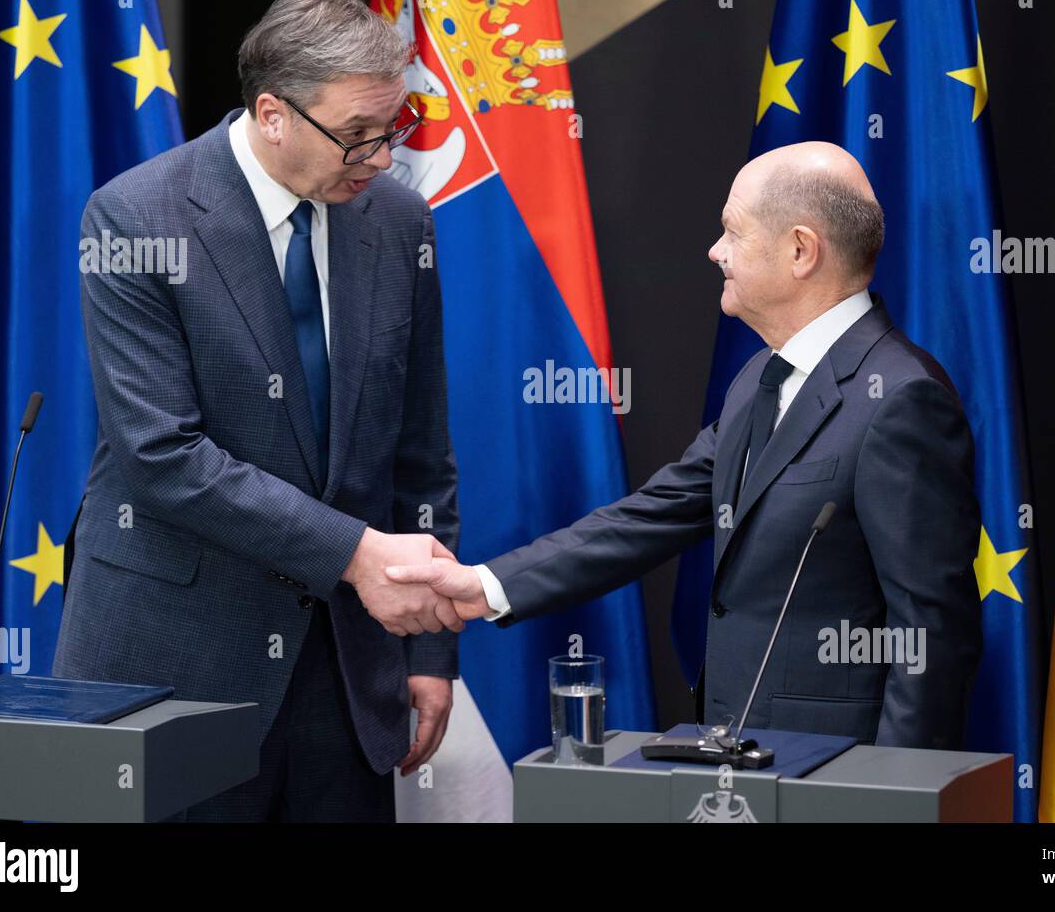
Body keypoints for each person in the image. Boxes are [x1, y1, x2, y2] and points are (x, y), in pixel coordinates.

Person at [388, 142, 983, 750]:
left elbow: (930, 634)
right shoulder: (759, 379)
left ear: (801, 251)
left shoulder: (902, 399)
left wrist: (895, 796)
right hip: (742, 759)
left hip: (839, 775)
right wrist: (486, 585)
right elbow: (651, 516)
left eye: (732, 231)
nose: (715, 251)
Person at [53, 0, 459, 822]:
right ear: (272, 114)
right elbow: (164, 456)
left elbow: (421, 453)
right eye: (356, 135)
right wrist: (357, 556)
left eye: (395, 128)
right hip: (178, 660)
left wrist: (427, 647)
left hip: (348, 672)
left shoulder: (399, 221)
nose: (382, 157)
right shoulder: (135, 218)